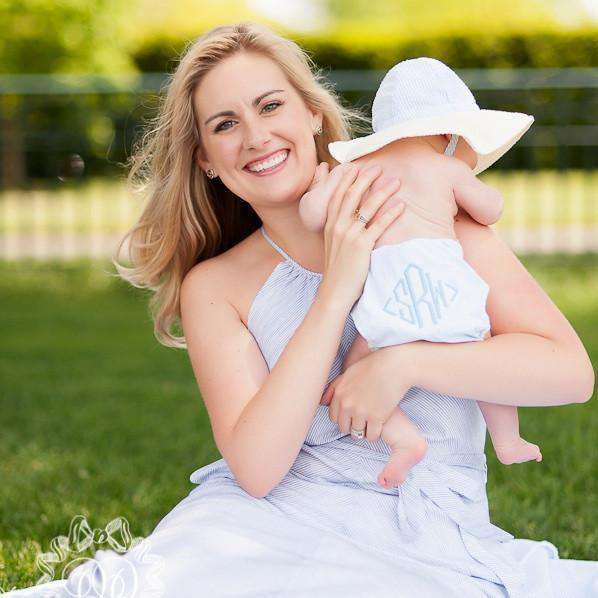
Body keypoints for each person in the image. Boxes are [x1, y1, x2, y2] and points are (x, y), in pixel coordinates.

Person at [8, 21, 597, 598]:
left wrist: (404, 365)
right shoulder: (215, 287)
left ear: (312, 113)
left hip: (430, 531)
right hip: (271, 527)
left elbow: (570, 372)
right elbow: (259, 470)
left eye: (270, 106)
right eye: (225, 124)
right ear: (207, 159)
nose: (256, 137)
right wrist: (336, 289)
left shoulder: (422, 214)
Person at [300, 57, 543, 490]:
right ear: (450, 134)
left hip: (385, 302)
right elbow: (489, 210)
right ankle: (508, 440)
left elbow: (313, 215)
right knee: (483, 356)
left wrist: (319, 188)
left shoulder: (358, 170)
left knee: (350, 375)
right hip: (444, 293)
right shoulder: (448, 169)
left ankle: (403, 440)